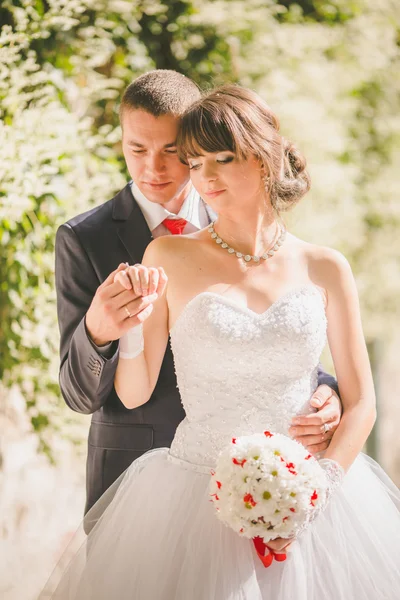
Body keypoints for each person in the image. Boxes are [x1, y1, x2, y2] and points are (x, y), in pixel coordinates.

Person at [45, 84, 400, 599]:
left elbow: (360, 398)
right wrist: (118, 329)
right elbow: (130, 391)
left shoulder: (326, 265)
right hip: (186, 491)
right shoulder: (159, 253)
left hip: (305, 483)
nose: (202, 176)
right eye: (197, 162)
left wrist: (313, 490)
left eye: (220, 159)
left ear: (263, 157)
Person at [55, 70, 341, 515]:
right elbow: (78, 396)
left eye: (173, 151)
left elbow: (280, 324)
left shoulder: (243, 206)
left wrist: (328, 392)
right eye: (137, 149)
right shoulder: (83, 239)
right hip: (140, 482)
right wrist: (99, 331)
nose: (154, 167)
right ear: (121, 143)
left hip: (271, 476)